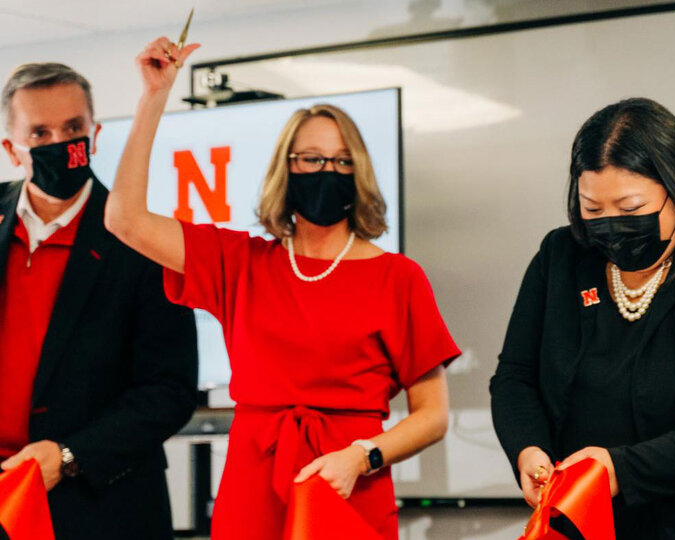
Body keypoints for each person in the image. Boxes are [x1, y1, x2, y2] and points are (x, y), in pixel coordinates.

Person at [104, 37, 460, 540]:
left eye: (341, 161)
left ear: (358, 173)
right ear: (286, 169)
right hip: (254, 490)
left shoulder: (397, 277)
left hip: (350, 487)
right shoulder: (242, 263)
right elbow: (125, 220)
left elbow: (433, 416)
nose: (326, 171)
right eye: (311, 159)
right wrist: (154, 97)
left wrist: (361, 457)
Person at [490, 97, 675, 538]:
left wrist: (618, 469)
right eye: (592, 210)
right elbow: (515, 378)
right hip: (588, 519)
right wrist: (527, 451)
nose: (610, 225)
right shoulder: (560, 257)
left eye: (631, 209)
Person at [0, 62, 198, 539]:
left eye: (73, 128)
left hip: (100, 505)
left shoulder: (143, 241)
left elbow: (169, 391)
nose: (60, 144)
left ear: (94, 133)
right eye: (40, 132)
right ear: (11, 149)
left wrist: (68, 456)